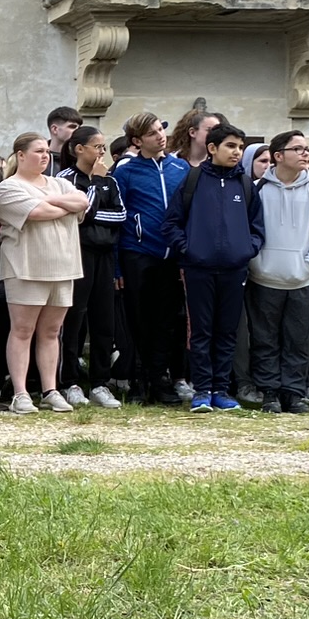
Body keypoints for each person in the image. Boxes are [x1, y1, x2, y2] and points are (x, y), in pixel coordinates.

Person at [164, 122, 262, 411]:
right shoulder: (193, 180)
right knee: (201, 331)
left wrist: (247, 250)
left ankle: (221, 389)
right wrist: (189, 249)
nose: (237, 152)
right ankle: (202, 390)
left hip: (235, 270)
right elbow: (171, 223)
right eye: (230, 146)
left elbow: (257, 227)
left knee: (227, 331)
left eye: (240, 147)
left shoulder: (245, 184)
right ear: (212, 148)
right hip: (199, 269)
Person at [0, 134, 89, 412]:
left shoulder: (60, 183)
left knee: (51, 331)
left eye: (47, 151)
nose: (45, 156)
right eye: (38, 151)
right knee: (23, 330)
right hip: (26, 268)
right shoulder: (10, 187)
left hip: (64, 266)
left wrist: (53, 201)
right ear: (21, 155)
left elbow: (82, 202)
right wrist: (62, 205)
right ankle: (20, 392)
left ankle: (50, 389)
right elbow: (37, 212)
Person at [247, 130, 309, 414]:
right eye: (297, 149)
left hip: (304, 280)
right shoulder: (256, 189)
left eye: (307, 149)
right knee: (264, 339)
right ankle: (269, 393)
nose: (305, 154)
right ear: (278, 155)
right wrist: (256, 263)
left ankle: (293, 394)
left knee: (299, 340)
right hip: (263, 279)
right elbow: (247, 231)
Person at [113, 111, 191, 404]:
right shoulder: (126, 171)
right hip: (138, 253)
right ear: (137, 141)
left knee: (166, 321)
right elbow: (118, 219)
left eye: (161, 130)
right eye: (152, 133)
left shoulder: (180, 167)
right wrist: (117, 266)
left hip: (171, 256)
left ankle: (160, 379)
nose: (160, 136)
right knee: (138, 319)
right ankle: (138, 380)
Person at [53, 126, 124, 410]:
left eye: (104, 147)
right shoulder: (64, 180)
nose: (101, 153)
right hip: (77, 254)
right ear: (79, 149)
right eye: (97, 147)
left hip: (104, 255)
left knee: (104, 320)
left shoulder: (110, 180)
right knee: (74, 319)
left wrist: (92, 212)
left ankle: (99, 383)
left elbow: (120, 215)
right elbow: (80, 214)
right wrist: (93, 183)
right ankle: (69, 381)